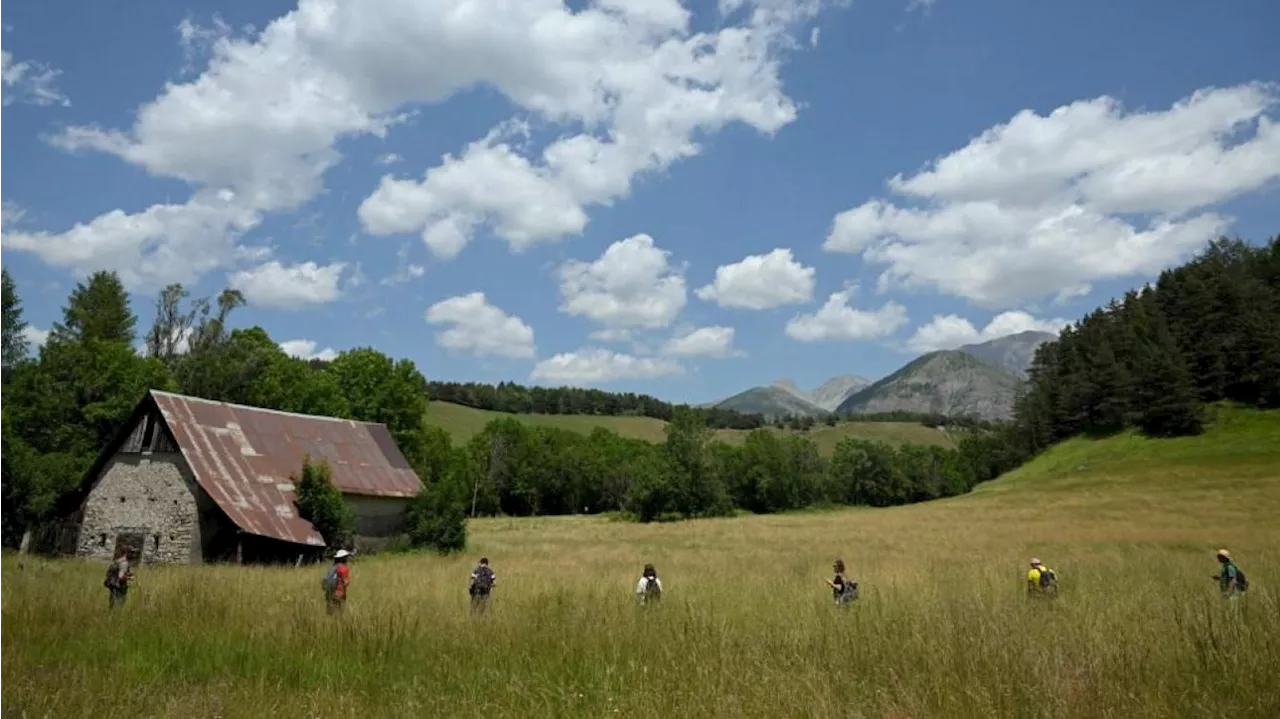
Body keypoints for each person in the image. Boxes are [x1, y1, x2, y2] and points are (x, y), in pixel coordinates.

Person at [321, 549, 352, 615]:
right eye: (346, 557)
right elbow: (345, 582)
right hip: (339, 593)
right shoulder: (344, 568)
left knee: (330, 613)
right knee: (339, 614)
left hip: (329, 593)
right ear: (343, 558)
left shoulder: (333, 567)